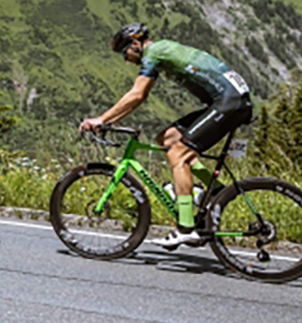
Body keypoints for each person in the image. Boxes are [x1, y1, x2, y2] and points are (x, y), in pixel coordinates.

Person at [81, 23, 253, 249]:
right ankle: (214, 191)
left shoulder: (153, 53)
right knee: (168, 139)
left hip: (229, 103)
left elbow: (138, 94)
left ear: (135, 44)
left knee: (178, 156)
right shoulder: (161, 50)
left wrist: (103, 119)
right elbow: (138, 97)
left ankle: (185, 228)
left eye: (125, 53)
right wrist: (110, 119)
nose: (126, 59)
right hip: (229, 100)